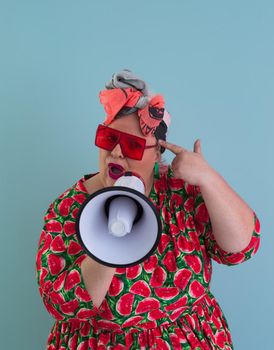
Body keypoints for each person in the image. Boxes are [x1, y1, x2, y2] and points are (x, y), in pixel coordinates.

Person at [35, 69, 261, 350]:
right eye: (108, 139)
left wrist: (208, 178)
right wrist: (110, 243)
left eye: (132, 145)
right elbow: (62, 304)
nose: (116, 153)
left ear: (157, 152)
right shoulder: (68, 208)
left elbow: (241, 248)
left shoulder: (180, 192)